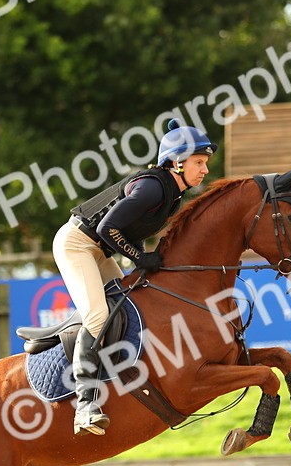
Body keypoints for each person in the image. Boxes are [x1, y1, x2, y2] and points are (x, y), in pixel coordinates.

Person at [54, 117, 215, 436]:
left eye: (205, 162)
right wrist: (141, 258)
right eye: (199, 162)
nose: (205, 170)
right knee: (99, 315)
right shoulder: (153, 187)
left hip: (99, 251)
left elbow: (131, 229)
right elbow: (106, 228)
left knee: (131, 306)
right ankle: (85, 406)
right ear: (176, 163)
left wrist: (140, 262)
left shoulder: (172, 193)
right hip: (76, 245)